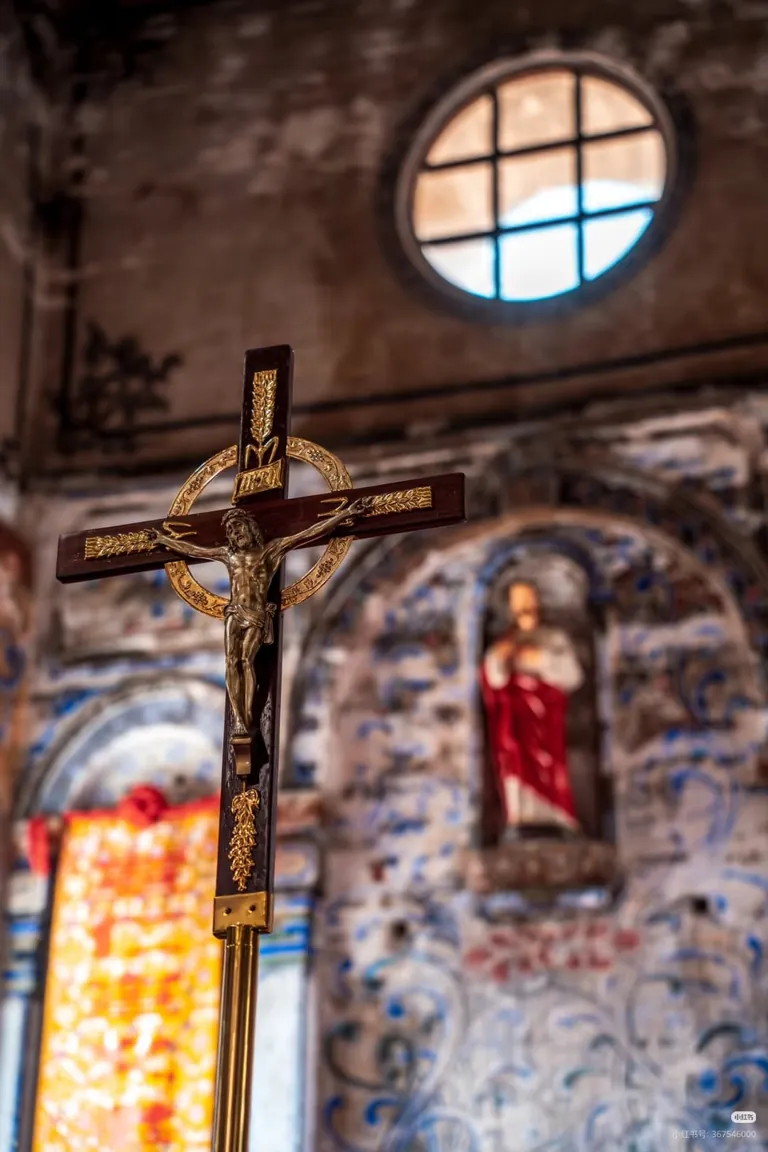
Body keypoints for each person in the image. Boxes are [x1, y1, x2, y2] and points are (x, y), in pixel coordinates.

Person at [151, 497, 372, 733]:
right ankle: (239, 719)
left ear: (250, 528)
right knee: (230, 663)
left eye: (239, 528)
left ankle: (246, 717)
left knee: (246, 661)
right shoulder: (229, 555)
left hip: (255, 613)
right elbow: (194, 549)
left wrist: (343, 514)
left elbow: (308, 534)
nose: (236, 534)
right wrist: (164, 540)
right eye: (232, 531)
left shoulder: (269, 551)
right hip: (234, 613)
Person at [481, 580, 583, 834]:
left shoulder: (553, 639)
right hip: (513, 718)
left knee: (551, 765)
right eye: (518, 602)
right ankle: (520, 817)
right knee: (512, 758)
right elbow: (492, 679)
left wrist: (540, 659)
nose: (524, 607)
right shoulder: (504, 643)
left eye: (528, 599)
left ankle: (556, 816)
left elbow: (572, 675)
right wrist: (499, 659)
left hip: (545, 718)